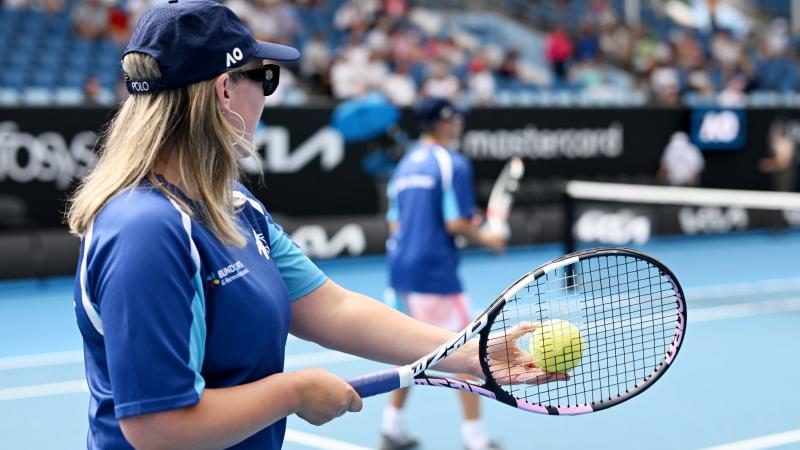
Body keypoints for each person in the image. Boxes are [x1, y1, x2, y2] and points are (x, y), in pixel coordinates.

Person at [65, 2, 541, 449]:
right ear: (224, 89)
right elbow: (156, 426)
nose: (267, 97)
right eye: (264, 77)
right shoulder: (146, 230)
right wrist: (292, 393)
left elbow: (332, 308)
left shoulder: (233, 203)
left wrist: (466, 352)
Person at [381, 97, 506, 450]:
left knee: (405, 351)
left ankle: (393, 428)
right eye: (455, 119)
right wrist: (489, 238)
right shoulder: (452, 163)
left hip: (399, 269)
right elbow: (455, 223)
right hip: (434, 272)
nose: (460, 125)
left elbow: (397, 221)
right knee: (467, 351)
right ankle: (476, 440)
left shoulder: (404, 165)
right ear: (441, 123)